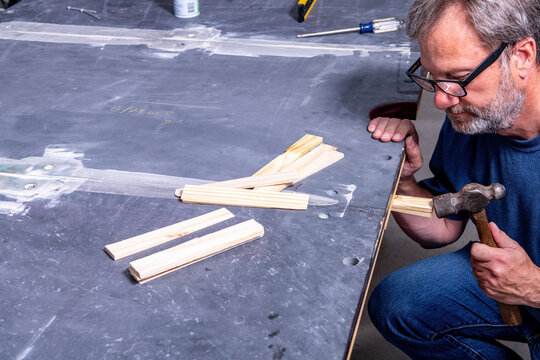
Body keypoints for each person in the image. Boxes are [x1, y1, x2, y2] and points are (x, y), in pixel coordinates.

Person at [366, 0, 540, 358]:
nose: (442, 101)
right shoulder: (475, 114)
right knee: (399, 305)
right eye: (433, 76)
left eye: (459, 79)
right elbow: (442, 228)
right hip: (512, 283)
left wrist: (532, 286)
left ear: (522, 55)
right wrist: (404, 183)